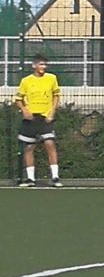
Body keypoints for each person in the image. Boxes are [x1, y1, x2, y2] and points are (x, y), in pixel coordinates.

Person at [16, 54, 61, 186]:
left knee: (49, 143)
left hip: (45, 118)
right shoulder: (26, 81)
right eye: (41, 64)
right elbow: (18, 99)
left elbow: (56, 96)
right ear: (34, 65)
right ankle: (31, 179)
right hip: (31, 119)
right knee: (29, 147)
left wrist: (52, 112)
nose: (43, 67)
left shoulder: (51, 78)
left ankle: (55, 177)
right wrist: (25, 111)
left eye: (45, 64)